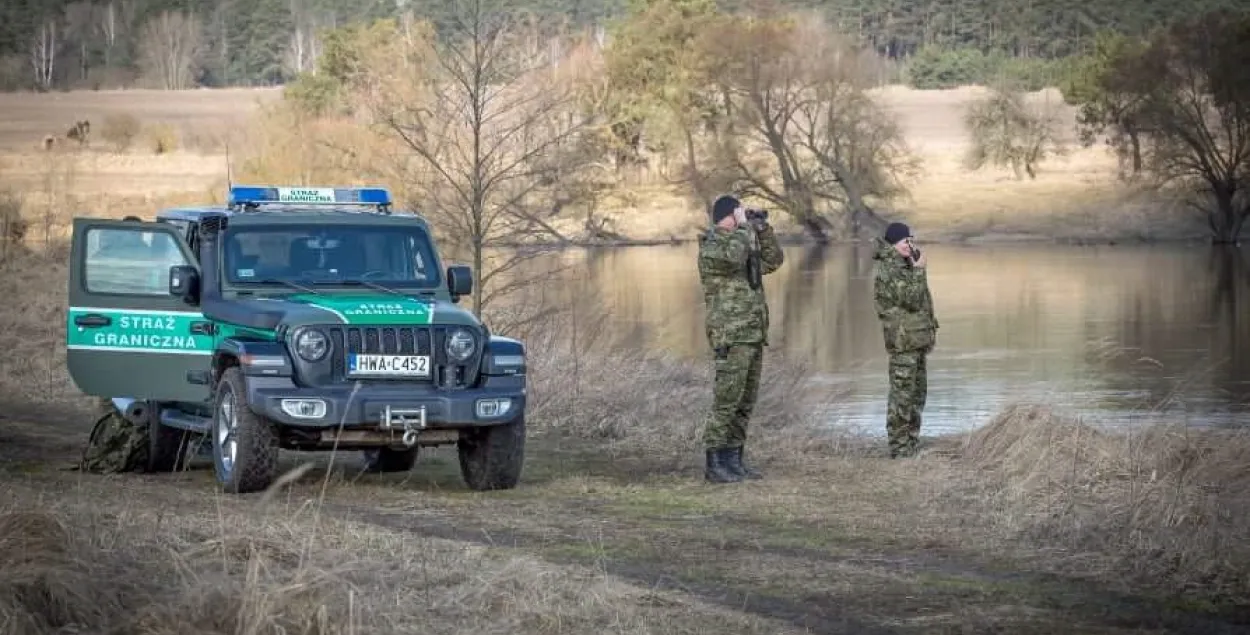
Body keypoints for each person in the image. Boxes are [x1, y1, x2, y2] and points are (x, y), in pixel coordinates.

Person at [697, 194, 785, 483]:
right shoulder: (713, 246)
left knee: (745, 402)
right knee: (727, 401)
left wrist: (763, 230)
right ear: (728, 216)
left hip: (752, 333)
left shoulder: (743, 241)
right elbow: (734, 256)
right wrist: (745, 227)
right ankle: (714, 464)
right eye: (739, 214)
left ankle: (734, 460)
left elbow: (773, 261)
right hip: (730, 334)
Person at [872, 221, 939, 458]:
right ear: (893, 243)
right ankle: (899, 449)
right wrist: (919, 270)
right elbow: (910, 299)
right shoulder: (890, 268)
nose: (909, 246)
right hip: (903, 343)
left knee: (917, 394)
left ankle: (911, 443)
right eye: (904, 242)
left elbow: (922, 302)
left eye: (911, 241)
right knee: (902, 395)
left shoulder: (905, 264)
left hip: (916, 340)